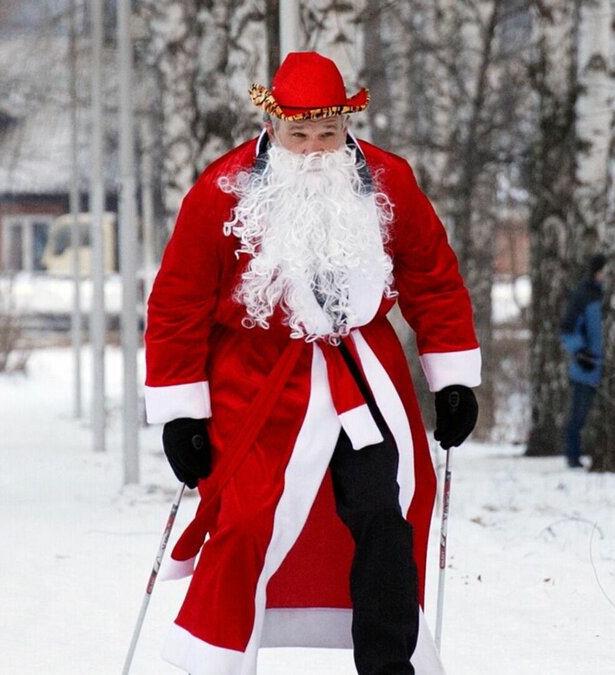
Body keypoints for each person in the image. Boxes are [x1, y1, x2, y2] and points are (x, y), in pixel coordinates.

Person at [144, 52, 481, 675]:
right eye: (299, 135)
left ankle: (388, 663)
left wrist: (453, 379)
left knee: (388, 511)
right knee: (246, 523)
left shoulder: (388, 180)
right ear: (272, 126)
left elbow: (432, 278)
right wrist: (180, 411)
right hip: (259, 384)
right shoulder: (221, 191)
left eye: (328, 133)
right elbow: (177, 303)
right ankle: (218, 660)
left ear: (346, 123)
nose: (315, 148)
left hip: (362, 372)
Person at [559, 253, 606, 469]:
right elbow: (567, 328)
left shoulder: (603, 295)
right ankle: (572, 455)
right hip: (585, 366)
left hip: (600, 366)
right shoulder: (583, 295)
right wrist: (580, 352)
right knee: (578, 415)